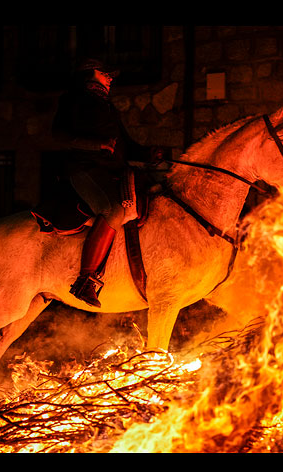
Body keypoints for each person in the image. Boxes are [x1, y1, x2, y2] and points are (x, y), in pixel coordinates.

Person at [51, 58, 161, 308]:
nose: (111, 78)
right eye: (105, 74)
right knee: (113, 208)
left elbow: (125, 144)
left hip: (112, 171)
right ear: (88, 74)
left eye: (110, 75)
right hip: (84, 169)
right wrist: (95, 145)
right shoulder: (73, 99)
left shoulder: (107, 107)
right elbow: (59, 134)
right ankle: (86, 280)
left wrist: (148, 154)